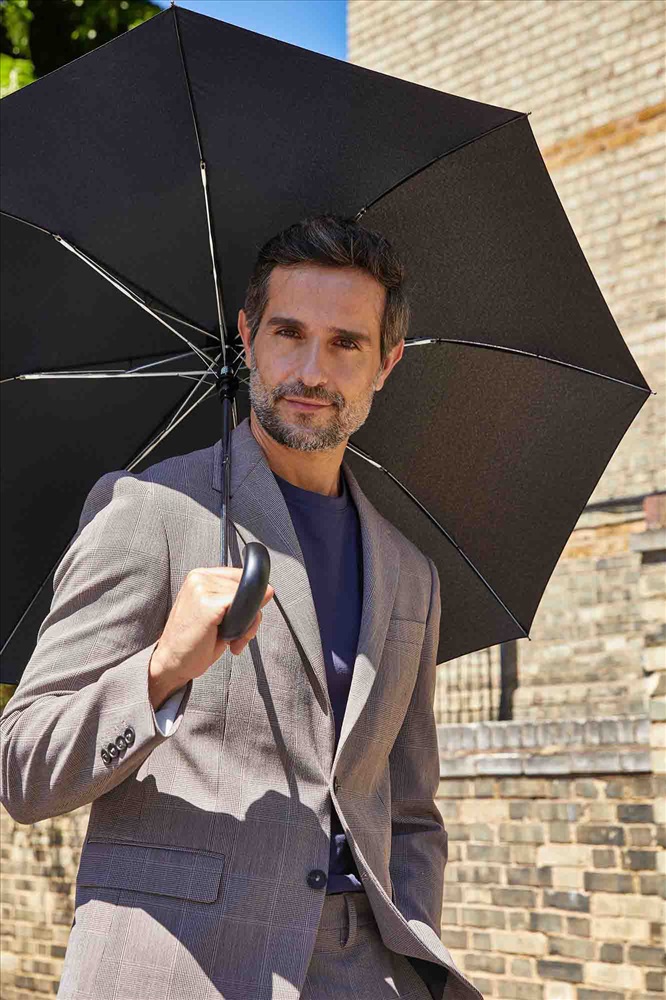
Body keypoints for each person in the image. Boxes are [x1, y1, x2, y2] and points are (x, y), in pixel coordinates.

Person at [0, 215, 479, 1000]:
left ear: (386, 363)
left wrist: (412, 955)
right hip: (178, 969)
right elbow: (22, 767)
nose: (311, 371)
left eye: (346, 343)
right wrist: (159, 671)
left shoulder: (411, 574)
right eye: (288, 333)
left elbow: (411, 809)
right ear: (248, 336)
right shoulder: (149, 511)